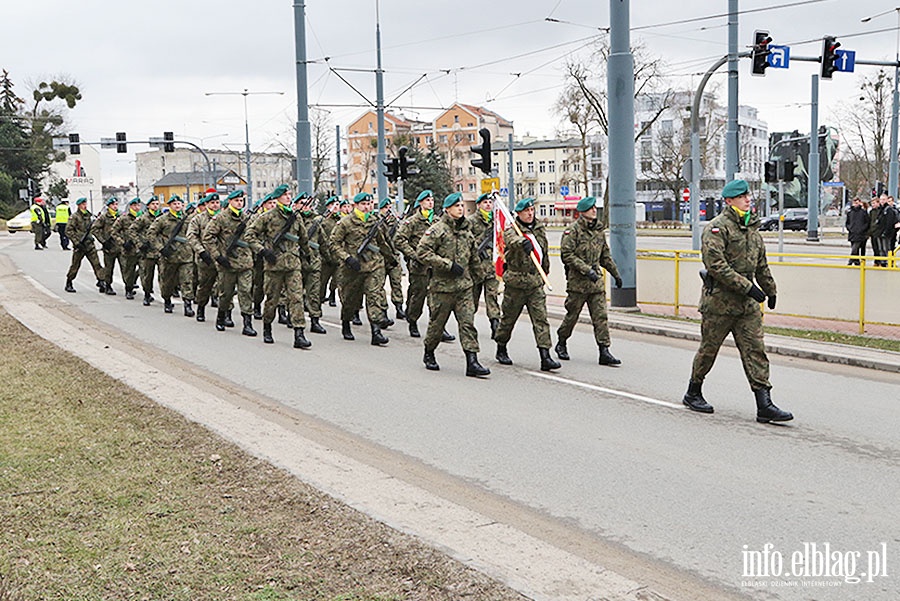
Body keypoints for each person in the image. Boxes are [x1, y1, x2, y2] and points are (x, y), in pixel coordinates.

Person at [682, 179, 793, 424]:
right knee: (708, 350)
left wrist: (770, 290)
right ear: (729, 201)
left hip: (746, 307)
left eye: (748, 195)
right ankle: (693, 391)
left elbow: (761, 264)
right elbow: (716, 266)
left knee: (756, 351)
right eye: (742, 196)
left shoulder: (752, 231)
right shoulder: (716, 229)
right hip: (719, 305)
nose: (748, 199)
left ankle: (764, 404)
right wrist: (749, 288)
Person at [416, 193, 490, 377]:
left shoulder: (466, 232)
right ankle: (429, 352)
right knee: (437, 325)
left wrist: (481, 277)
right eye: (456, 206)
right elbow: (422, 252)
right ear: (447, 209)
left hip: (464, 287)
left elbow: (474, 258)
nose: (460, 208)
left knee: (467, 324)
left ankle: (472, 361)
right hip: (442, 288)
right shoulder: (436, 230)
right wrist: (447, 265)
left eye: (462, 205)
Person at [494, 197, 560, 372]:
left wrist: (545, 271)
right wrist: (522, 242)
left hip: (535, 283)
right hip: (516, 283)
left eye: (532, 210)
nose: (530, 214)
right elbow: (509, 241)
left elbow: (543, 251)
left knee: (541, 320)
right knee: (508, 319)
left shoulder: (539, 228)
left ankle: (545, 356)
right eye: (526, 211)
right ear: (519, 214)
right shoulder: (512, 229)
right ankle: (501, 347)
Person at [555, 196, 623, 366]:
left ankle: (604, 350)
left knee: (600, 317)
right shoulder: (572, 231)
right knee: (572, 316)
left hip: (595, 284)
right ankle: (561, 342)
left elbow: (605, 256)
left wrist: (616, 274)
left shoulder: (598, 231)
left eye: (594, 208)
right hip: (578, 284)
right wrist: (586, 270)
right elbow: (567, 255)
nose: (594, 210)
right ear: (582, 212)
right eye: (591, 208)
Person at [245, 185, 312, 349]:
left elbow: (302, 238)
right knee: (272, 300)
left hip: (293, 264)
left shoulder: (295, 217)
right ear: (277, 198)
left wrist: (307, 254)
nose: (289, 197)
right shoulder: (267, 217)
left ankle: (299, 333)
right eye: (285, 195)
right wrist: (263, 251)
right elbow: (249, 235)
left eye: (289, 195)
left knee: (296, 299)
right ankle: (267, 327)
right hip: (274, 265)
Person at [329, 192, 394, 345]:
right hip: (353, 268)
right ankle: (346, 323)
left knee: (374, 296)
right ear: (355, 206)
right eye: (363, 204)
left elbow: (382, 242)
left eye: (369, 204)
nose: (367, 207)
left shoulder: (375, 221)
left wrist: (390, 258)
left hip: (374, 265)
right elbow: (334, 244)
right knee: (350, 300)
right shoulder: (345, 223)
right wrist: (347, 258)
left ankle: (376, 332)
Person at [203, 189, 257, 336]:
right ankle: (221, 317)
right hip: (227, 263)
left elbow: (254, 236)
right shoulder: (221, 218)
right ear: (230, 202)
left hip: (245, 262)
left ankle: (247, 324)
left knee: (245, 292)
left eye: (241, 201)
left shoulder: (247, 218)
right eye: (237, 201)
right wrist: (217, 256)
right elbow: (208, 237)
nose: (240, 203)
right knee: (226, 294)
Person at [148, 195, 196, 316]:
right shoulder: (162, 220)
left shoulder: (189, 219)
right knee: (167, 281)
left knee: (187, 280)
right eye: (174, 204)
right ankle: (167, 301)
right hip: (169, 256)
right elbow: (151, 234)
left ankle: (188, 305)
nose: (177, 206)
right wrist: (161, 248)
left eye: (179, 203)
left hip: (186, 255)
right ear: (169, 206)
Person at [466, 192, 501, 339]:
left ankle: (495, 326)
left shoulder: (496, 222)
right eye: (485, 202)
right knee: (472, 299)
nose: (488, 205)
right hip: (476, 268)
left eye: (490, 202)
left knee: (492, 297)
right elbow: (466, 241)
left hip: (491, 268)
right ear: (479, 205)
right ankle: (468, 327)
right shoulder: (471, 221)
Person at [298, 192, 329, 334]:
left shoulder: (316, 223)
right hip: (296, 261)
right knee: (295, 293)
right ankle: (294, 318)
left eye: (308, 204)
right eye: (303, 204)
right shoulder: (292, 220)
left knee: (314, 292)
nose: (307, 207)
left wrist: (328, 257)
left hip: (314, 261)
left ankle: (315, 320)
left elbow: (323, 242)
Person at [187, 192, 220, 323]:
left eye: (217, 203)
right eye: (212, 203)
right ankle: (201, 307)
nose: (215, 205)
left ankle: (225, 314)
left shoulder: (223, 218)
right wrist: (201, 251)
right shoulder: (198, 219)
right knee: (205, 285)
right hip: (205, 258)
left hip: (222, 257)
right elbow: (191, 236)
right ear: (206, 204)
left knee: (224, 286)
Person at [64, 197, 106, 293]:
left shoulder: (89, 216)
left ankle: (101, 281)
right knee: (75, 265)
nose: (85, 206)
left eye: (85, 204)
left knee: (97, 264)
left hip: (89, 244)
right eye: (83, 204)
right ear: (79, 205)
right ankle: (69, 282)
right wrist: (76, 242)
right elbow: (68, 230)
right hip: (80, 245)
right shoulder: (74, 217)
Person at [131, 195, 163, 306]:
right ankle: (147, 294)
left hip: (161, 251)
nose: (155, 206)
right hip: (148, 252)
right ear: (149, 206)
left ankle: (166, 298)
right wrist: (139, 244)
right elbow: (132, 230)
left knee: (164, 275)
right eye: (153, 204)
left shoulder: (162, 217)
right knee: (147, 275)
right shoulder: (143, 218)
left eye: (157, 204)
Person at [378, 197, 405, 320]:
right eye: (386, 208)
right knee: (379, 285)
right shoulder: (377, 222)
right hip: (381, 257)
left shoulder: (395, 222)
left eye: (390, 208)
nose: (388, 211)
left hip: (394, 256)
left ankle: (399, 307)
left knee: (396, 282)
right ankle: (382, 310)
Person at [112, 197, 143, 299]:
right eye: (134, 206)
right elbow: (114, 232)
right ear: (130, 207)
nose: (136, 208)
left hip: (142, 249)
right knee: (129, 271)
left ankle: (147, 293)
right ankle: (128, 289)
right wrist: (122, 243)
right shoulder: (123, 218)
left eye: (138, 205)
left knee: (144, 271)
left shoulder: (143, 217)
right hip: (129, 249)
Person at [93, 197, 122, 295]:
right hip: (109, 247)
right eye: (113, 204)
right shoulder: (104, 217)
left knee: (126, 268)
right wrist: (103, 241)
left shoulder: (120, 216)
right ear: (109, 206)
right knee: (109, 268)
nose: (115, 206)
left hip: (121, 247)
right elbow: (95, 229)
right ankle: (108, 286)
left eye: (116, 204)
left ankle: (129, 287)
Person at [845, 197, 870, 266]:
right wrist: (850, 228)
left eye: (857, 202)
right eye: (854, 202)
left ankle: (851, 260)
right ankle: (856, 261)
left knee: (855, 247)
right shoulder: (850, 212)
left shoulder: (863, 212)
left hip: (860, 233)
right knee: (853, 246)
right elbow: (847, 222)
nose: (856, 204)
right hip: (852, 233)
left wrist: (863, 229)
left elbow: (867, 222)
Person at [869, 196, 886, 267]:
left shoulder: (880, 211)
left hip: (878, 232)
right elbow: (869, 221)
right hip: (872, 232)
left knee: (880, 248)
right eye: (872, 203)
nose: (873, 205)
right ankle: (876, 261)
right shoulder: (871, 212)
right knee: (874, 247)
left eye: (874, 203)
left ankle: (881, 261)